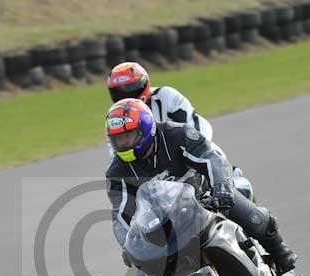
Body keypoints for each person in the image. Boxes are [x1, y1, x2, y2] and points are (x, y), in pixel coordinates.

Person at [105, 98, 297, 276]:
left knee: (256, 219)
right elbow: (121, 215)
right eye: (118, 139)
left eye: (128, 136)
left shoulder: (176, 134)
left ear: (144, 128)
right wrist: (129, 245)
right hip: (167, 223)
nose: (123, 143)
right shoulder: (116, 172)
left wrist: (222, 189)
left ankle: (282, 258)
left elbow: (211, 157)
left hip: (207, 198)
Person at [107, 61, 253, 200]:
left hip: (184, 148)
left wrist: (193, 152)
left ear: (144, 85)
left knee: (211, 158)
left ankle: (229, 179)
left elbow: (193, 124)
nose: (125, 96)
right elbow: (116, 159)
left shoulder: (166, 95)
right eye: (118, 93)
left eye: (131, 89)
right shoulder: (117, 120)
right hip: (154, 165)